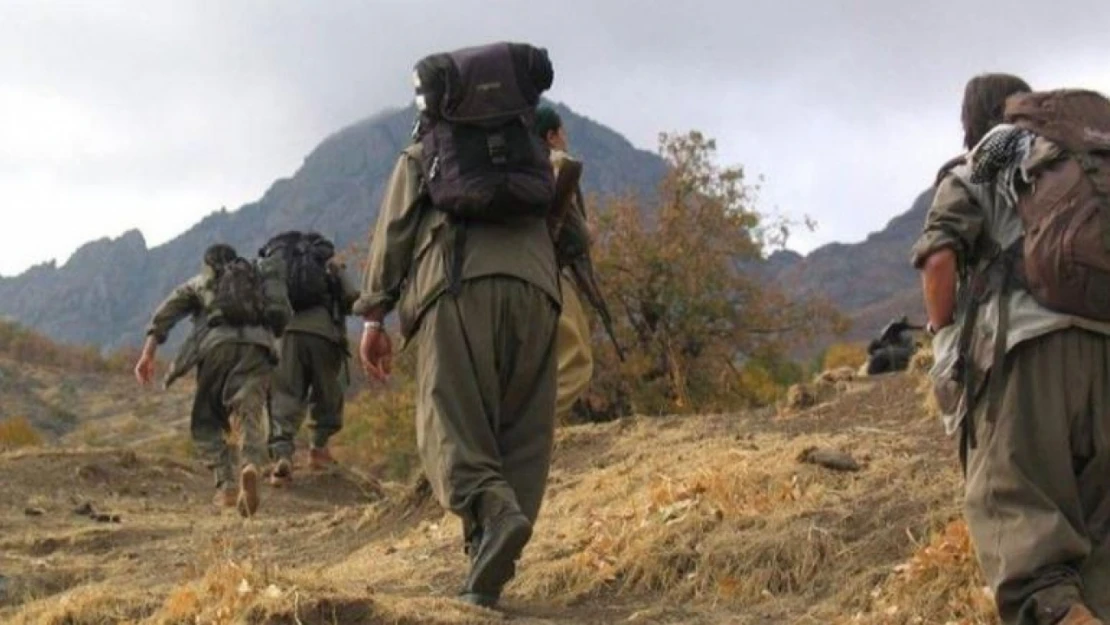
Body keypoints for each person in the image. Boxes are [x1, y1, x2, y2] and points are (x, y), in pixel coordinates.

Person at [355, 42, 561, 608]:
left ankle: (492, 516)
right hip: (540, 292)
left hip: (458, 284)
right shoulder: (532, 150)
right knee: (522, 431)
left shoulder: (426, 150)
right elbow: (570, 228)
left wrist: (374, 315)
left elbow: (394, 231)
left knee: (450, 421)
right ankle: (487, 570)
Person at [913, 73, 1110, 625]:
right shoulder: (1072, 163)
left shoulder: (981, 163)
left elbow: (938, 260)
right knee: (1099, 561)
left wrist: (943, 335)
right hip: (1105, 352)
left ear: (968, 123)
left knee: (1035, 573)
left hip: (1028, 366)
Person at [134, 243, 288, 517]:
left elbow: (166, 315)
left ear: (207, 263)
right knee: (250, 410)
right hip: (258, 347)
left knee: (206, 421)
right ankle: (251, 463)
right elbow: (281, 315)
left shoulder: (201, 282)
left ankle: (227, 485)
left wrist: (148, 354)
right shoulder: (256, 279)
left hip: (217, 347)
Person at [261, 231, 360, 485]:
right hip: (323, 334)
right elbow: (351, 297)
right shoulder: (326, 262)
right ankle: (319, 449)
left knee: (284, 394)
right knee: (326, 392)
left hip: (285, 335)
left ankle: (282, 456)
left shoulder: (279, 266)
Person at [535, 106, 595, 421]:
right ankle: (529, 433)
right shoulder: (555, 165)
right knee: (576, 361)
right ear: (551, 136)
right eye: (562, 132)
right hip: (544, 272)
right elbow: (578, 237)